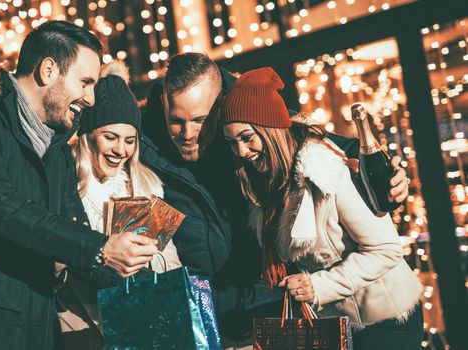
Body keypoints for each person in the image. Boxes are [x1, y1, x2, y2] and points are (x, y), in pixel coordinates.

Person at [0, 21, 157, 350]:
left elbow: (69, 236)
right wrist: (101, 248)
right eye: (85, 82)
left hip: (30, 328)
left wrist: (126, 261)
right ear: (48, 70)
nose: (90, 98)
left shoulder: (57, 154)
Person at [141, 52, 411, 347]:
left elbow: (298, 139)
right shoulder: (148, 149)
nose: (188, 133)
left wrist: (389, 171)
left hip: (278, 306)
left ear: (220, 105)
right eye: (176, 120)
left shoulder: (249, 118)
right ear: (165, 104)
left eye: (200, 120)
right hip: (208, 320)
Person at [222, 67, 423, 349]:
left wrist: (317, 286)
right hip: (338, 325)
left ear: (270, 130)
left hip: (386, 320)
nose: (242, 152)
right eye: (232, 143)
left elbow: (386, 249)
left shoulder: (325, 170)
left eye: (247, 137)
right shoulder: (265, 189)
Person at [56, 62, 182, 349]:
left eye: (129, 140)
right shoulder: (64, 186)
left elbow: (173, 265)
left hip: (139, 327)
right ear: (88, 136)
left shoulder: (143, 186)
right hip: (79, 329)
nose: (120, 150)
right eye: (110, 137)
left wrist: (147, 254)